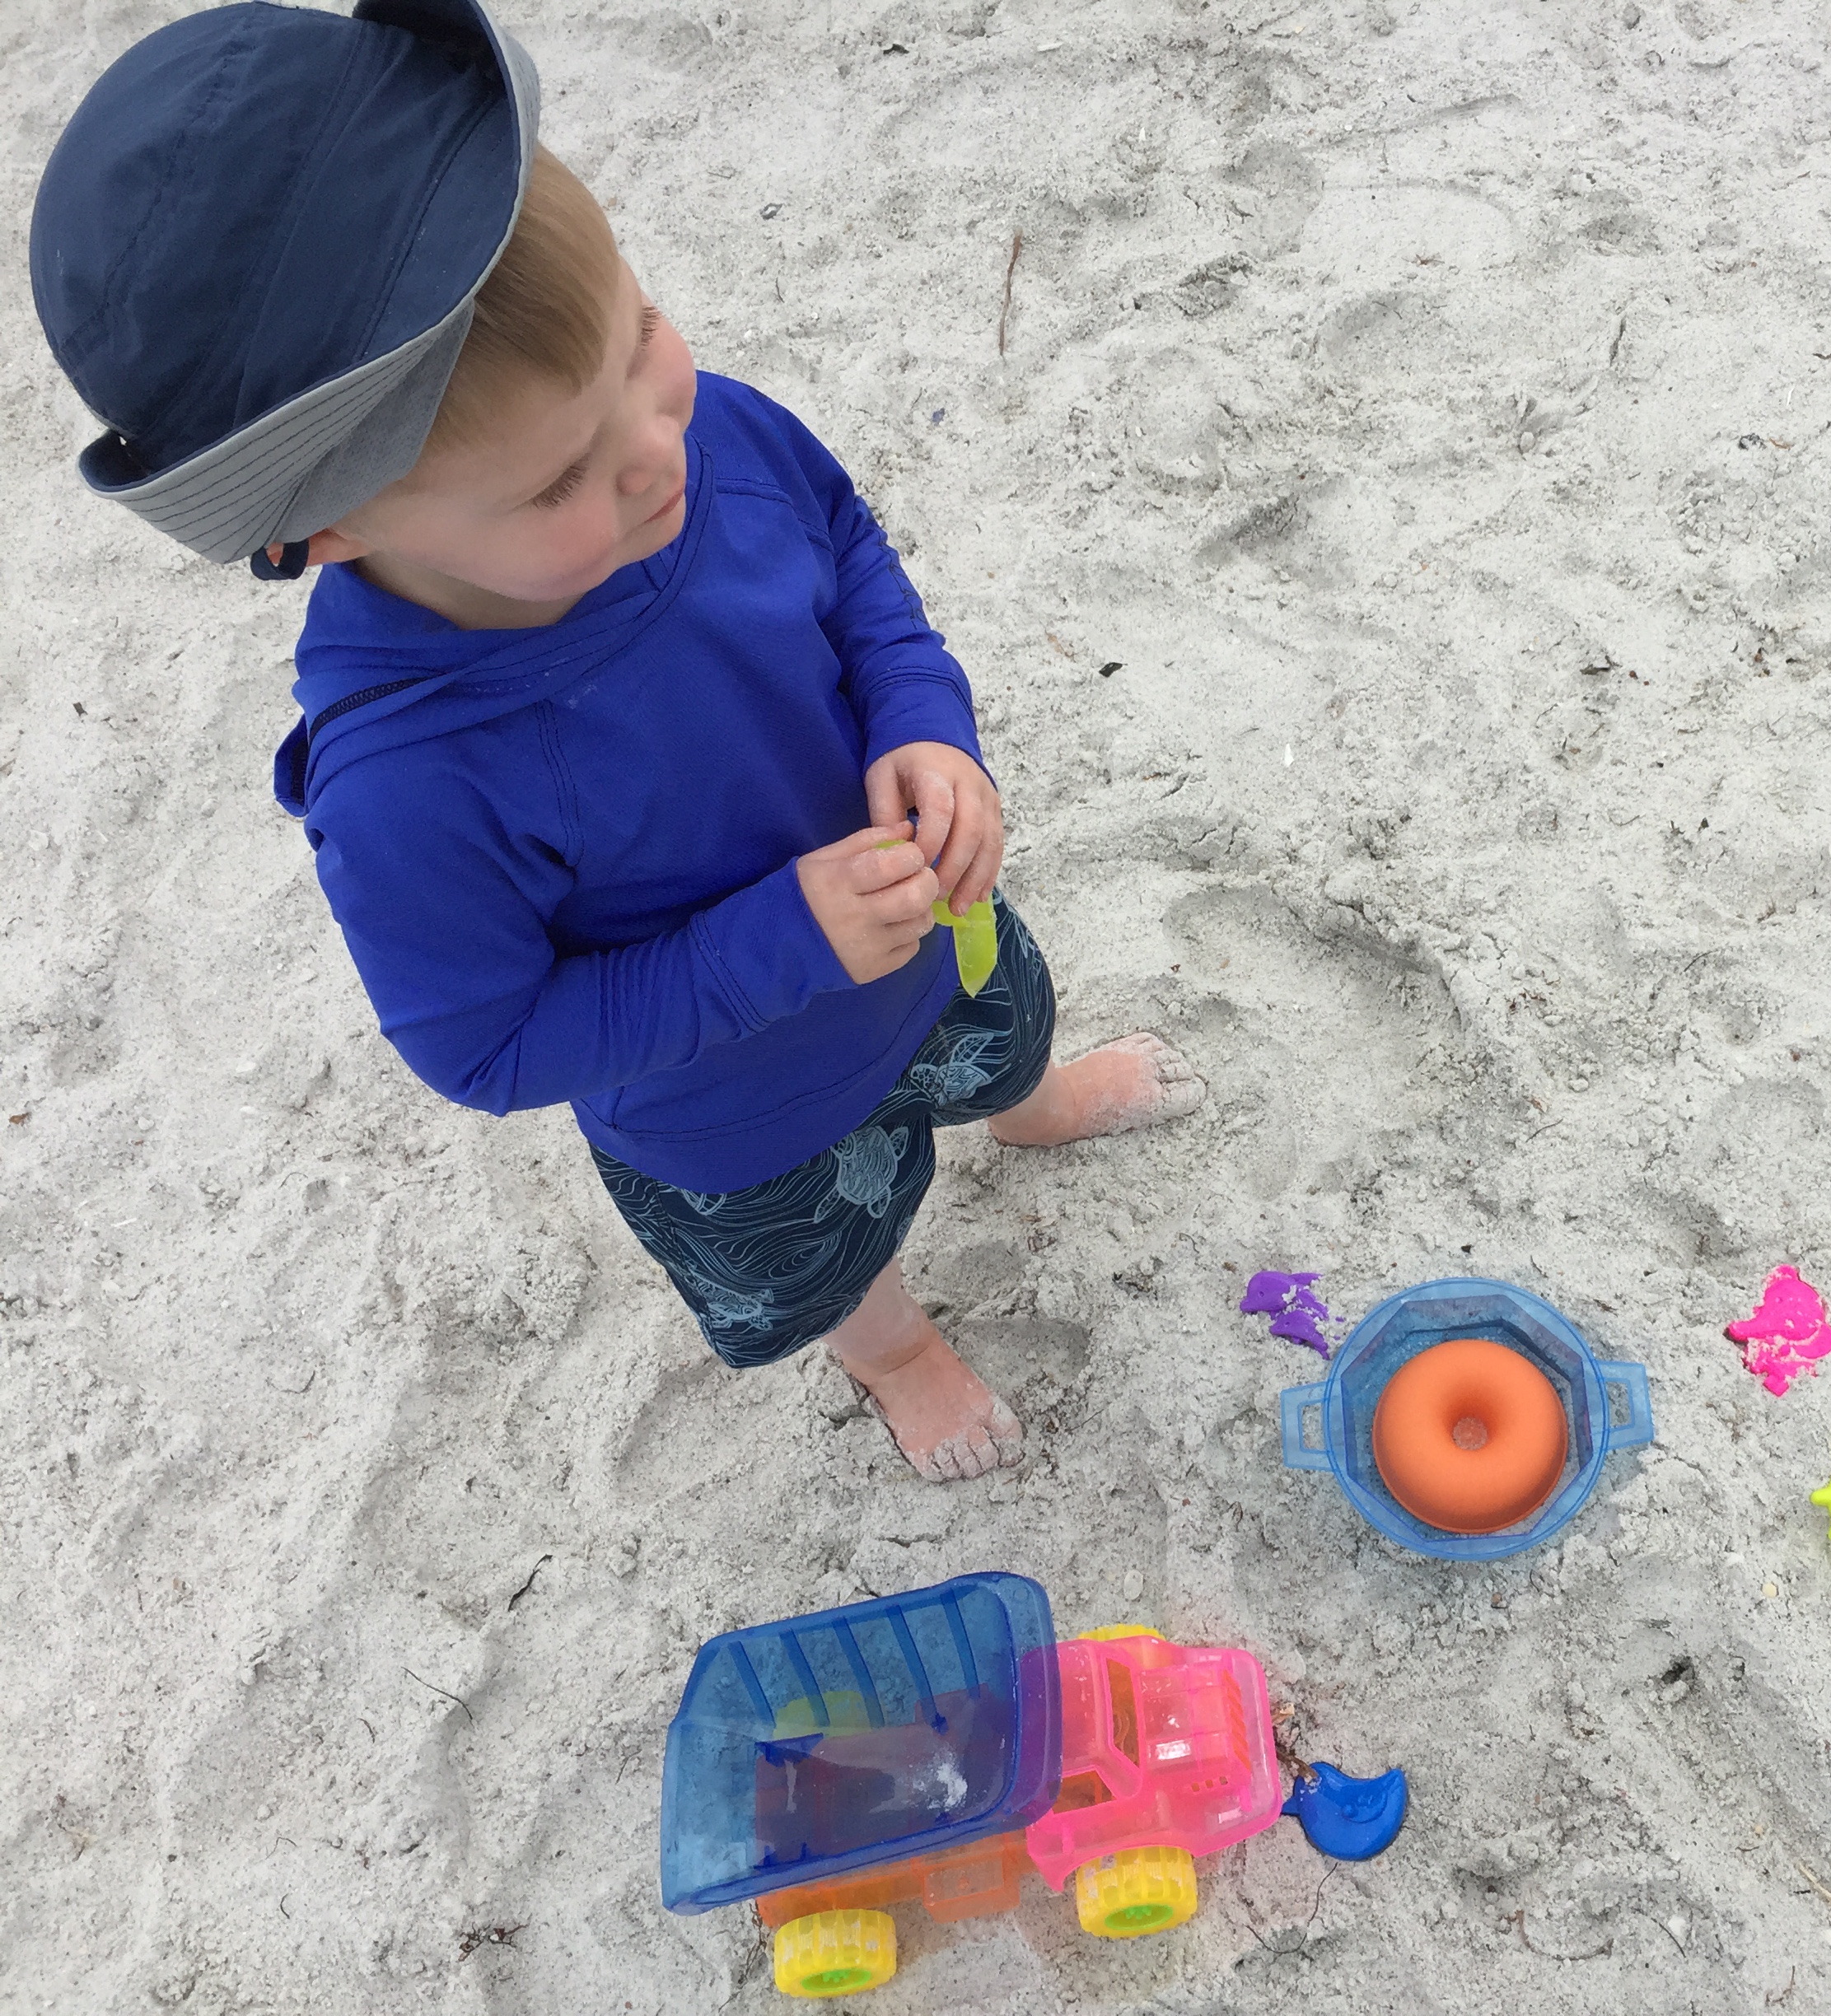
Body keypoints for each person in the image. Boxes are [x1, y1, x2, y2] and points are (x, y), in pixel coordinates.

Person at [27, 0, 1201, 1482]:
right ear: (326, 532)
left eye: (643, 339)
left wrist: (925, 722)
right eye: (557, 479)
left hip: (934, 936)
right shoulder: (407, 782)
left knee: (994, 1036)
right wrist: (778, 943)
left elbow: (843, 555)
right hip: (738, 1113)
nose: (659, 455)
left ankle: (1024, 1108)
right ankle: (901, 1355)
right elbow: (488, 1042)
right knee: (836, 1259)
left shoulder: (699, 439)